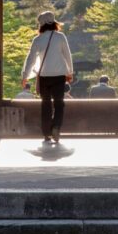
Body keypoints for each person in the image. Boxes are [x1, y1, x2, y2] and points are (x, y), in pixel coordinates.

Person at [21, 11, 73, 144]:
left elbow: (30, 59)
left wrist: (25, 76)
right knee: (59, 103)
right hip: (59, 76)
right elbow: (67, 55)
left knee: (46, 105)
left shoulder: (37, 39)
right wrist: (70, 72)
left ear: (41, 24)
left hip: (44, 77)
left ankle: (46, 134)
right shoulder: (60, 37)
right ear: (54, 22)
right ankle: (56, 127)